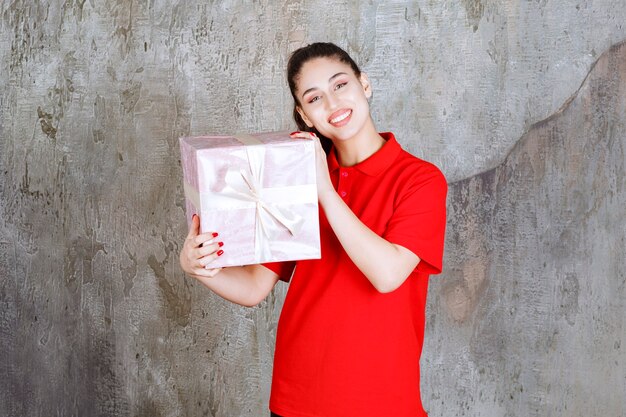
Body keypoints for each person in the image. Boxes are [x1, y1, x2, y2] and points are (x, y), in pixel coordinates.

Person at [180, 42, 447, 417]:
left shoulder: (420, 180)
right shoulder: (291, 181)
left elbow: (388, 275)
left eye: (340, 85)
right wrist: (199, 268)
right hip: (297, 397)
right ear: (304, 116)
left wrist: (321, 187)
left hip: (381, 401)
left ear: (364, 84)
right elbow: (255, 287)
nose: (333, 104)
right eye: (315, 97)